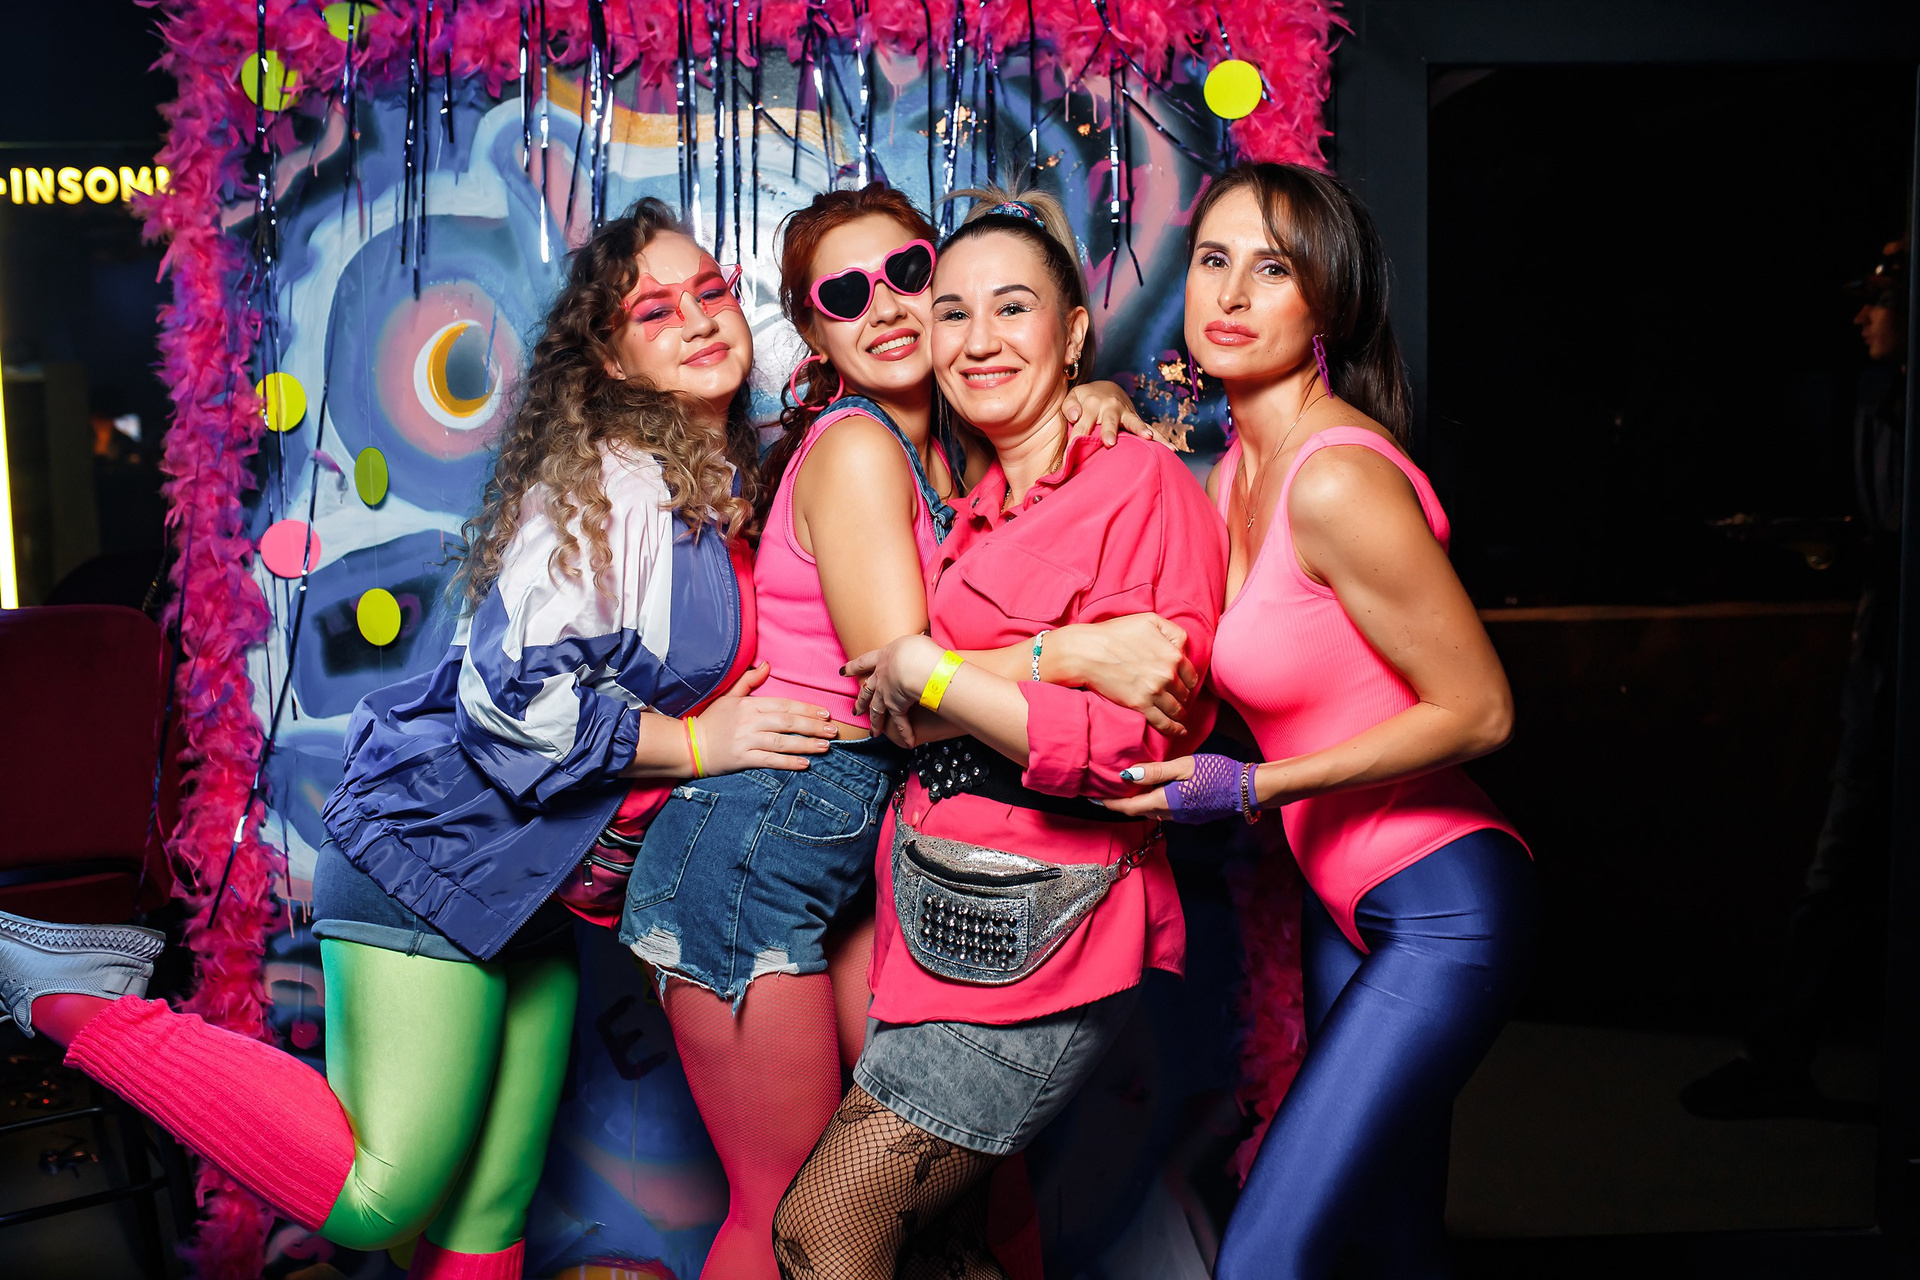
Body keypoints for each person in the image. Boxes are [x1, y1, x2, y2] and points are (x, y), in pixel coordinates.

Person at [0, 199, 836, 1279]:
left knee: (486, 1212)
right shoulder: (613, 486)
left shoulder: (704, 485)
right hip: (429, 853)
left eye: (710, 292)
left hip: (524, 890)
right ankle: (77, 995)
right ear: (610, 357)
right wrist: (698, 743)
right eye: (654, 309)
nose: (698, 318)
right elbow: (511, 701)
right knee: (378, 1195)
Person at [619, 182, 1198, 1279]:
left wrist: (1095, 391)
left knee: (936, 1198)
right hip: (754, 854)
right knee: (786, 1207)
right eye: (845, 294)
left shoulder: (961, 452)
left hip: (859, 842)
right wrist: (1073, 653)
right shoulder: (858, 447)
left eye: (908, 274)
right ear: (814, 335)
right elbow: (901, 678)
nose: (884, 305)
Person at [1107, 162, 1535, 1278]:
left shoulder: (1335, 479)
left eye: (1274, 268)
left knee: (1265, 1255)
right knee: (1390, 1242)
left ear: (1327, 304)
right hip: (1343, 900)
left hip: (1443, 903)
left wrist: (1255, 786)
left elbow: (1483, 709)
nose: (1232, 293)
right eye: (1214, 259)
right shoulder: (1236, 473)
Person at [1682, 237, 1908, 1118]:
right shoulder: (1878, 399)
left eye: (1880, 296)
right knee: (1837, 868)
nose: (1862, 315)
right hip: (1878, 669)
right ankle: (1778, 1057)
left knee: (1843, 870)